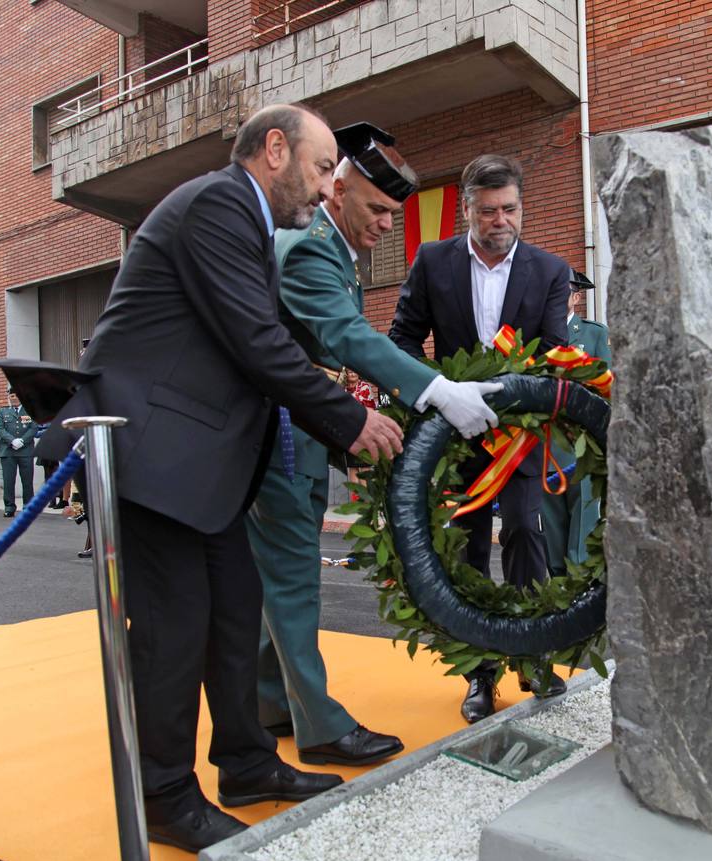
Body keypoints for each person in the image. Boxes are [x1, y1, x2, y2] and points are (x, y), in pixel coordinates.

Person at [37, 103, 403, 854]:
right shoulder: (217, 204)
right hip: (154, 457)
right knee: (172, 637)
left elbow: (258, 349)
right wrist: (350, 422)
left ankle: (245, 764)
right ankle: (165, 798)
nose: (326, 185)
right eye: (319, 164)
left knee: (235, 613)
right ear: (274, 149)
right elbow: (258, 343)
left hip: (200, 470)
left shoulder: (248, 221)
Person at [252, 122, 502, 765]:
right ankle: (320, 727)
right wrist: (437, 389)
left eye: (397, 213)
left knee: (280, 576)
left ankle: (270, 700)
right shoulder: (311, 248)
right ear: (337, 190)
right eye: (379, 209)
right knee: (291, 582)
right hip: (284, 435)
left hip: (296, 429)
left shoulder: (327, 246)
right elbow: (345, 338)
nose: (391, 225)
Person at [390, 152, 570, 723]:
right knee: (465, 549)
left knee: (522, 530)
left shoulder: (549, 272)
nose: (501, 221)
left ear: (522, 208)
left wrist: (524, 399)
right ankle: (479, 674)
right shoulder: (432, 262)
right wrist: (435, 395)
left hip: (518, 437)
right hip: (454, 438)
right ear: (466, 209)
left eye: (510, 209)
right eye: (488, 211)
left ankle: (531, 654)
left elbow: (552, 353)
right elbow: (402, 338)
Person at [542, 269, 610, 577]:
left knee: (584, 515)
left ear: (576, 296)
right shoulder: (534, 336)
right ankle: (557, 581)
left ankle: (579, 583)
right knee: (551, 518)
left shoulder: (594, 334)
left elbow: (606, 388)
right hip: (545, 442)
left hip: (582, 443)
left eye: (563, 291)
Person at [0, 391, 37, 518]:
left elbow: (33, 428)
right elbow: (0, 428)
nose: (14, 398)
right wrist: (12, 440)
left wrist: (22, 441)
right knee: (9, 481)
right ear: (9, 397)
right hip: (8, 451)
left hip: (25, 451)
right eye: (12, 396)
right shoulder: (3, 412)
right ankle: (9, 507)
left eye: (17, 395)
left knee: (27, 481)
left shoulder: (29, 410)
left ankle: (28, 507)